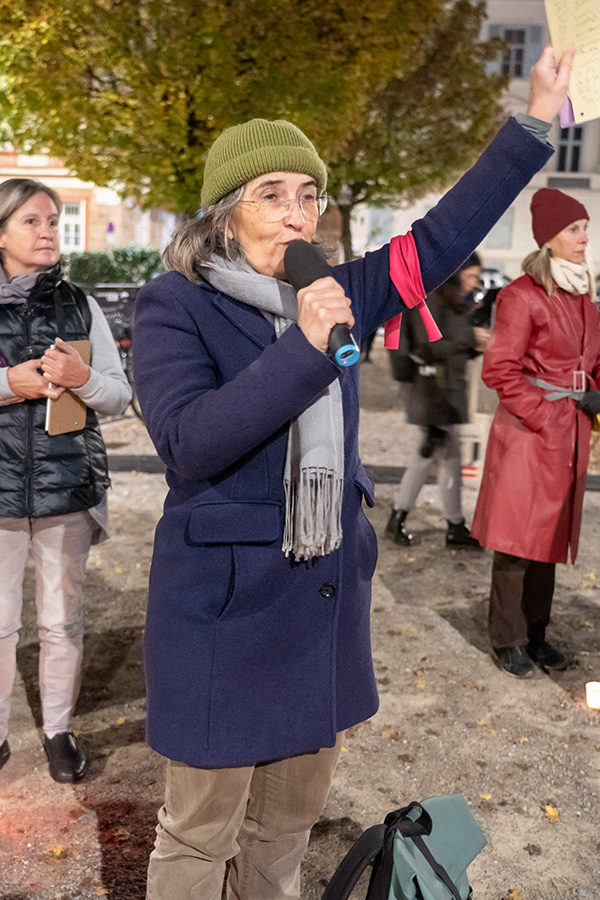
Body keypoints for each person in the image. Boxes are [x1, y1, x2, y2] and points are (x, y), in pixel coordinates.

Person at [133, 47, 573, 900]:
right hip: (224, 615)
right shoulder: (174, 305)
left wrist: (530, 122)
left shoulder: (345, 289)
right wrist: (303, 347)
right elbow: (189, 442)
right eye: (272, 195)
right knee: (198, 838)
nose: (299, 215)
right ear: (224, 216)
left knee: (283, 836)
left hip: (316, 613)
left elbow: (443, 235)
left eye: (310, 196)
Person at [0, 178, 131, 781]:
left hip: (67, 489)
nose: (49, 230)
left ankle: (58, 732)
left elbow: (119, 397)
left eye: (53, 220)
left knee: (61, 621)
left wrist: (80, 376)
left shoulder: (80, 304)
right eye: (32, 221)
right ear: (1, 233)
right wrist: (10, 385)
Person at [471, 187, 600, 679]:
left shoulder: (584, 296)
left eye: (585, 228)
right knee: (518, 542)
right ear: (549, 239)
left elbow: (593, 361)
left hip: (569, 435)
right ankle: (507, 639)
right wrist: (548, 416)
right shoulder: (521, 296)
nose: (584, 238)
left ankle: (537, 633)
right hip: (529, 434)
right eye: (574, 229)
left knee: (548, 540)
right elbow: (500, 370)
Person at [385, 253, 489, 548]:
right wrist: (470, 337)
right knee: (438, 456)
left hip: (445, 390)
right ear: (457, 274)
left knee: (435, 455)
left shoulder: (451, 301)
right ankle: (448, 526)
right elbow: (429, 345)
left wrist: (473, 344)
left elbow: (454, 346)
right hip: (434, 390)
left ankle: (411, 519)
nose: (473, 283)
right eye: (470, 276)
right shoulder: (433, 299)